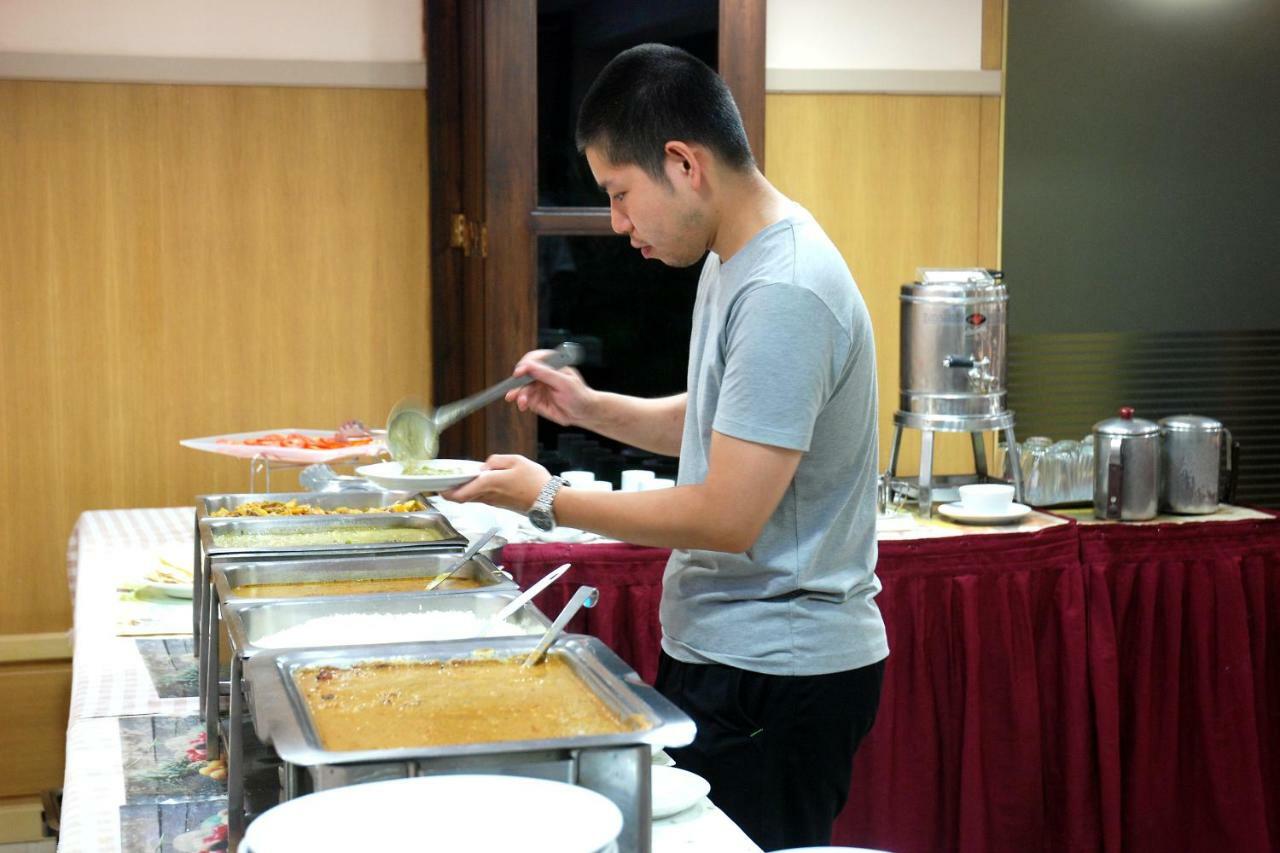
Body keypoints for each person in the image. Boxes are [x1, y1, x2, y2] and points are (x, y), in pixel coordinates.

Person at [444, 43, 887, 850]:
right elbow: (726, 421)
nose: (617, 224)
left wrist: (545, 497)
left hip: (780, 670)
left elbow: (728, 514)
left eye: (620, 193)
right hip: (730, 650)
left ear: (683, 162)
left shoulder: (785, 286)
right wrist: (588, 407)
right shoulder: (736, 257)